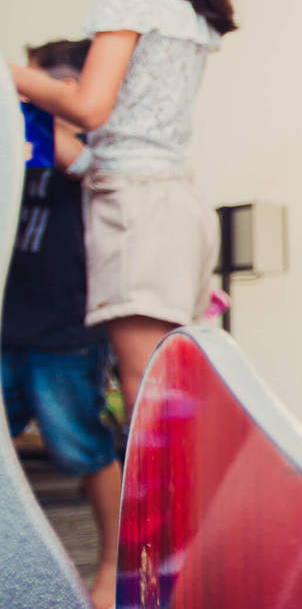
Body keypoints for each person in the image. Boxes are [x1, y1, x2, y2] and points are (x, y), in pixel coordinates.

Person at [8, 0, 237, 419]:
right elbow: (117, 139)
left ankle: (162, 486)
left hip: (137, 214)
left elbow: (89, 107)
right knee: (170, 388)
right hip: (174, 205)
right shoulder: (184, 0)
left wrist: (13, 75)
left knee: (146, 392)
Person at [3, 39, 119, 608]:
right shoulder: (22, 147)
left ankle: (114, 566)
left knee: (82, 449)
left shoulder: (93, 151)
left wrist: (36, 103)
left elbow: (82, 162)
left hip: (66, 332)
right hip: (9, 325)